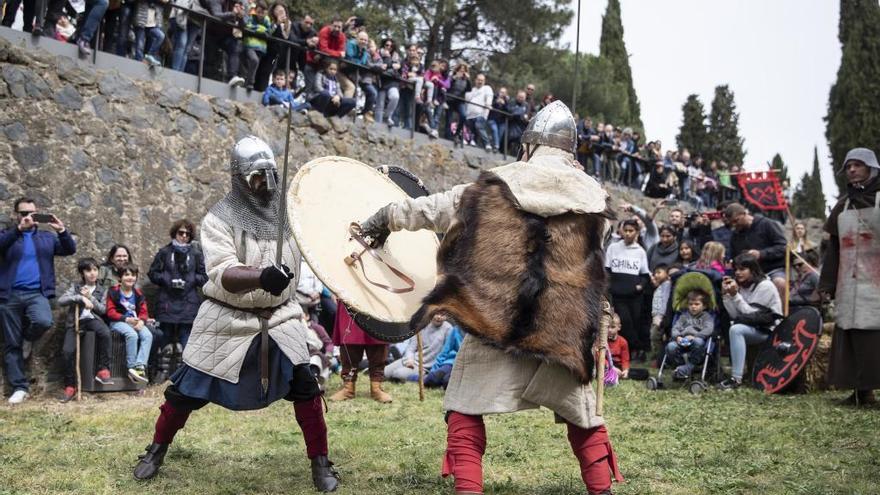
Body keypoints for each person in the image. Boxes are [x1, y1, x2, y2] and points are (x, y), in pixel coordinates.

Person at [358, 101, 623, 494]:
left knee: (464, 410)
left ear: (529, 146)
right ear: (570, 152)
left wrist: (383, 218)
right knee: (583, 419)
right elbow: (595, 271)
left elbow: (430, 208)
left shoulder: (488, 189)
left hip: (494, 322)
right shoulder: (594, 200)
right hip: (563, 332)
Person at [131, 136, 339, 492]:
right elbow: (222, 272)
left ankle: (320, 462)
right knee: (183, 393)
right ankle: (155, 450)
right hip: (226, 320)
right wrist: (260, 276)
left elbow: (325, 237)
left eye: (271, 175)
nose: (266, 185)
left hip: (281, 317)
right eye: (257, 177)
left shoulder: (290, 214)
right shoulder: (218, 220)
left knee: (306, 388)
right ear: (239, 178)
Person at [818, 147, 880, 406]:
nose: (852, 170)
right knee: (851, 334)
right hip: (849, 281)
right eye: (848, 166)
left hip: (876, 281)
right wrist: (827, 283)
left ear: (871, 168)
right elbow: (833, 249)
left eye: (857, 165)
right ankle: (860, 391)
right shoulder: (843, 204)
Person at [0, 198, 76, 404]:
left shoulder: (46, 237)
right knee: (11, 344)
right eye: (23, 212)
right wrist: (18, 229)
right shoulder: (7, 235)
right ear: (16, 214)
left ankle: (28, 338)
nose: (28, 216)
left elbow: (69, 249)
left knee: (43, 321)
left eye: (31, 213)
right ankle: (19, 387)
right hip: (9, 294)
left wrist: (61, 230)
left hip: (36, 294)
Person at [147, 219, 209, 381]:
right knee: (164, 337)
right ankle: (161, 373)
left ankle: (185, 376)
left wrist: (190, 281)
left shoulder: (196, 254)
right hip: (167, 301)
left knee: (186, 340)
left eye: (187, 234)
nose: (184, 236)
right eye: (180, 233)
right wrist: (168, 279)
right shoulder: (164, 252)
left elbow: (204, 276)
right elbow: (152, 274)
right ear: (174, 233)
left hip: (188, 301)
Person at [718, 253, 783, 390]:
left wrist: (736, 296)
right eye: (736, 269)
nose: (738, 273)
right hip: (754, 327)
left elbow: (753, 315)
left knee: (736, 329)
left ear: (753, 270)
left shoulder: (765, 285)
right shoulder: (743, 285)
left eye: (742, 269)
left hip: (769, 329)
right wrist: (726, 296)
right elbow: (735, 314)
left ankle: (736, 378)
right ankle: (737, 376)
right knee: (734, 328)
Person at [58, 257, 114, 402]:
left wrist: (91, 299)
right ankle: (70, 386)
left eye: (95, 270)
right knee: (67, 351)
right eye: (88, 270)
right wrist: (80, 298)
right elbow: (61, 301)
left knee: (105, 333)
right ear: (82, 273)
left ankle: (103, 369)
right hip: (76, 322)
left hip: (92, 320)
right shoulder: (76, 287)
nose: (92, 273)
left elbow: (103, 310)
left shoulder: (102, 290)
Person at [328, 302, 392, 403]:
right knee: (349, 341)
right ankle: (348, 388)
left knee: (377, 341)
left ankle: (376, 388)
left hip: (375, 301)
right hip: (350, 299)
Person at [606, 219, 651, 359]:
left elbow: (645, 274)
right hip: (618, 294)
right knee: (624, 321)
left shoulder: (640, 251)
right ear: (621, 231)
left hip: (634, 295)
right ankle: (637, 347)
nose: (627, 233)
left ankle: (632, 351)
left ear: (636, 232)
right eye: (625, 230)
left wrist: (640, 286)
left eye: (631, 231)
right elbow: (607, 269)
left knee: (634, 321)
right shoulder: (613, 248)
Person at [725, 203, 788, 297]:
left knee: (780, 283)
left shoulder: (766, 224)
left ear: (744, 213)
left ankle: (778, 312)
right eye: (731, 223)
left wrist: (761, 254)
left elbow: (783, 247)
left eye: (736, 221)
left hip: (772, 269)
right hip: (749, 274)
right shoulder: (735, 235)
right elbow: (733, 256)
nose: (734, 225)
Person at [106, 263, 154, 383]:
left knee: (147, 335)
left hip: (135, 321)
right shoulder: (113, 292)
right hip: (118, 322)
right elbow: (110, 312)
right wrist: (126, 319)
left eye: (133, 275)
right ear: (120, 278)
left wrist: (142, 321)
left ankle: (140, 366)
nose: (130, 278)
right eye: (127, 275)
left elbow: (144, 311)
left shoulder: (138, 294)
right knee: (132, 335)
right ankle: (131, 367)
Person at [385, 313, 452, 382]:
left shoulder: (448, 329)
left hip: (423, 367)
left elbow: (446, 352)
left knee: (398, 374)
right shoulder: (422, 325)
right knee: (385, 373)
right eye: (437, 314)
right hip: (410, 360)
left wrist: (434, 371)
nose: (439, 317)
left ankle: (422, 376)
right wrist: (409, 360)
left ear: (446, 317)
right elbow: (411, 348)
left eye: (442, 315)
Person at [665, 291, 714, 380]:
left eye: (697, 304)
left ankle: (690, 367)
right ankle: (682, 366)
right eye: (691, 304)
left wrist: (696, 336)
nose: (693, 306)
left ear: (704, 306)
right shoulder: (684, 317)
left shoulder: (706, 317)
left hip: (697, 341)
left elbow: (709, 329)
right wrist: (678, 337)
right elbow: (675, 328)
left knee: (698, 342)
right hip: (682, 340)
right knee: (670, 346)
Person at [241, 0, 272, 90]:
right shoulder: (251, 16)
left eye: (262, 12)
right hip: (249, 44)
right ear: (256, 10)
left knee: (254, 66)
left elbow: (269, 31)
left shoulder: (267, 20)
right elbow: (247, 26)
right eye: (258, 12)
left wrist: (261, 30)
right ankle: (250, 82)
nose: (260, 14)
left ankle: (247, 83)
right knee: (254, 61)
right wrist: (260, 29)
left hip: (261, 48)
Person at [423, 324, 463, 388]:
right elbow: (445, 351)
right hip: (451, 363)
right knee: (431, 379)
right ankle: (419, 377)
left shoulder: (477, 331)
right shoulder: (456, 329)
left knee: (448, 381)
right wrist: (434, 369)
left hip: (466, 366)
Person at [464, 73, 493, 152]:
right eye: (479, 80)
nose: (480, 82)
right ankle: (473, 142)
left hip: (481, 113)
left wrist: (488, 104)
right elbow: (467, 100)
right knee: (472, 130)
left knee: (479, 126)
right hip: (470, 114)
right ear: (475, 80)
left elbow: (489, 98)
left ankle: (487, 144)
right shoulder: (472, 90)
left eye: (482, 80)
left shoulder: (487, 88)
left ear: (484, 81)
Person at [132, 0, 167, 65]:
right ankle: (137, 64)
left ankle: (149, 56)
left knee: (160, 36)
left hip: (153, 22)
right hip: (141, 19)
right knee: (139, 46)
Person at [649, 264, 672, 361]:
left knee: (655, 335)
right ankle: (658, 356)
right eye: (655, 274)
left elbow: (665, 301)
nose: (656, 275)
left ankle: (658, 357)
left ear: (667, 274)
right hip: (656, 316)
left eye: (659, 272)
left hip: (660, 317)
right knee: (655, 336)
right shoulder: (660, 286)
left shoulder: (667, 285)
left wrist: (660, 316)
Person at [607, 313, 630, 379]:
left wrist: (625, 370)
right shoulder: (602, 341)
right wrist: (611, 367)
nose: (609, 330)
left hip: (618, 366)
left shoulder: (623, 342)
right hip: (606, 365)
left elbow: (625, 359)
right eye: (607, 327)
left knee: (642, 373)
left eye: (612, 327)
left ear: (619, 327)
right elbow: (600, 358)